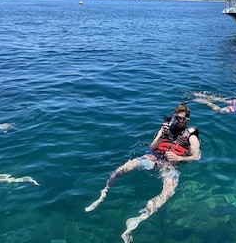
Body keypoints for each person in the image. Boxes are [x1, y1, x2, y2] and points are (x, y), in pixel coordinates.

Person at [85, 102, 201, 243]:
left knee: (169, 192)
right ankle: (103, 193)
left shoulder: (191, 136)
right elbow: (152, 147)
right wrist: (161, 135)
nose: (177, 121)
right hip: (153, 157)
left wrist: (179, 157)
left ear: (187, 121)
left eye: (181, 119)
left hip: (170, 165)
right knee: (123, 168)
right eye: (175, 117)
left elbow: (197, 157)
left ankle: (137, 221)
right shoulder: (165, 128)